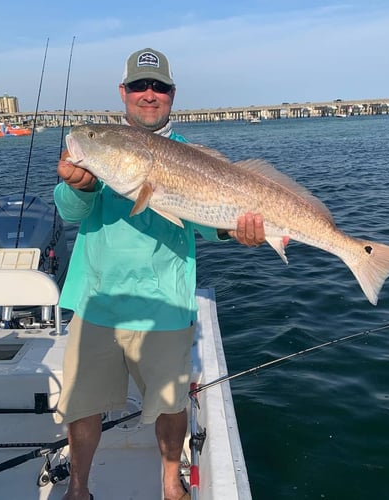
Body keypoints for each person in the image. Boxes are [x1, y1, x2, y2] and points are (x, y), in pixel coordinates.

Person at [54, 48, 265, 500]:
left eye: (159, 87)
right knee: (83, 406)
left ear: (171, 95)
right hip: (98, 299)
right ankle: (78, 488)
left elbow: (210, 226)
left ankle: (172, 484)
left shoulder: (191, 156)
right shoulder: (101, 148)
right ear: (123, 93)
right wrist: (79, 185)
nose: (148, 95)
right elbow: (69, 210)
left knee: (170, 406)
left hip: (165, 304)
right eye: (139, 86)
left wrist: (235, 232)